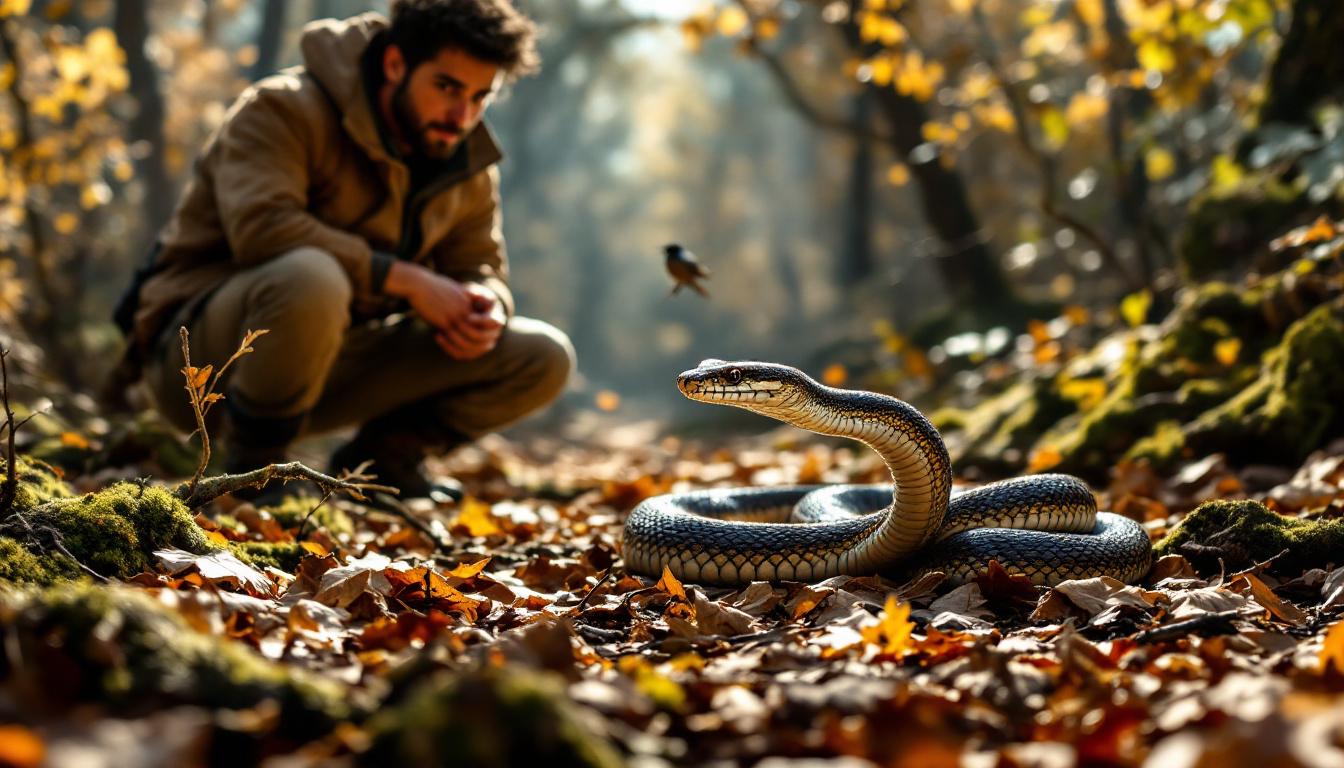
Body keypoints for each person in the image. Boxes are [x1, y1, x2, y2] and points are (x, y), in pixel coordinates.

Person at [113, 0, 574, 506]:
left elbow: (480, 266)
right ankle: (253, 472)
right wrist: (410, 281)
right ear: (396, 64)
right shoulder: (282, 108)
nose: (461, 115)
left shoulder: (466, 164)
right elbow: (264, 230)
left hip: (334, 363)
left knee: (542, 355)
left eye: (479, 97)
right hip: (201, 366)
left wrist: (485, 304)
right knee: (312, 277)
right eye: (447, 87)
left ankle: (380, 464)